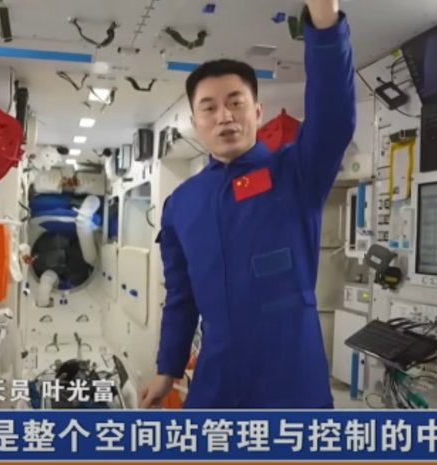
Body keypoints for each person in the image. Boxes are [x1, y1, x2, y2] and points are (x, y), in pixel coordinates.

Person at [139, 0, 357, 409]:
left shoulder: (296, 174)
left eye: (236, 102)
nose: (224, 116)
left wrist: (325, 22)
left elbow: (334, 118)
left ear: (257, 112)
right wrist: (168, 369)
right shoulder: (181, 204)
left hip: (293, 384)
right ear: (195, 122)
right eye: (209, 108)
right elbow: (181, 297)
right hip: (217, 382)